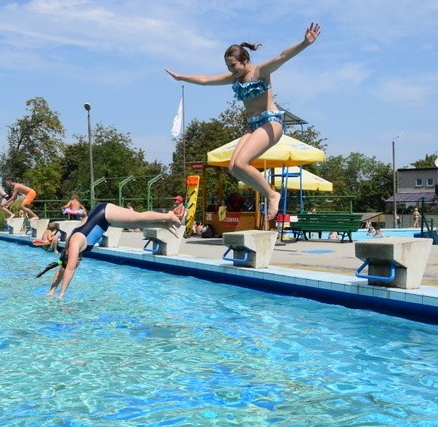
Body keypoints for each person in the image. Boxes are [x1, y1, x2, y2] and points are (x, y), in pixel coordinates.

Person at [165, 22, 321, 220]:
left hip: (271, 122)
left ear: (245, 59)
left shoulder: (260, 72)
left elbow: (282, 56)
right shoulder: (235, 78)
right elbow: (205, 79)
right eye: (228, 66)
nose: (231, 70)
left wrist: (305, 43)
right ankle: (268, 192)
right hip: (253, 125)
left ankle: (272, 194)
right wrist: (181, 77)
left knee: (241, 162)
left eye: (234, 65)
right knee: (234, 168)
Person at [39, 203, 181, 298]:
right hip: (105, 220)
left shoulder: (75, 243)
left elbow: (69, 269)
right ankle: (164, 224)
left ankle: (168, 215)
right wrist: (51, 291)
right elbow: (62, 268)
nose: (77, 262)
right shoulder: (69, 251)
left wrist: (61, 294)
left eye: (75, 261)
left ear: (70, 256)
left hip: (104, 212)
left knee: (138, 217)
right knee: (138, 223)